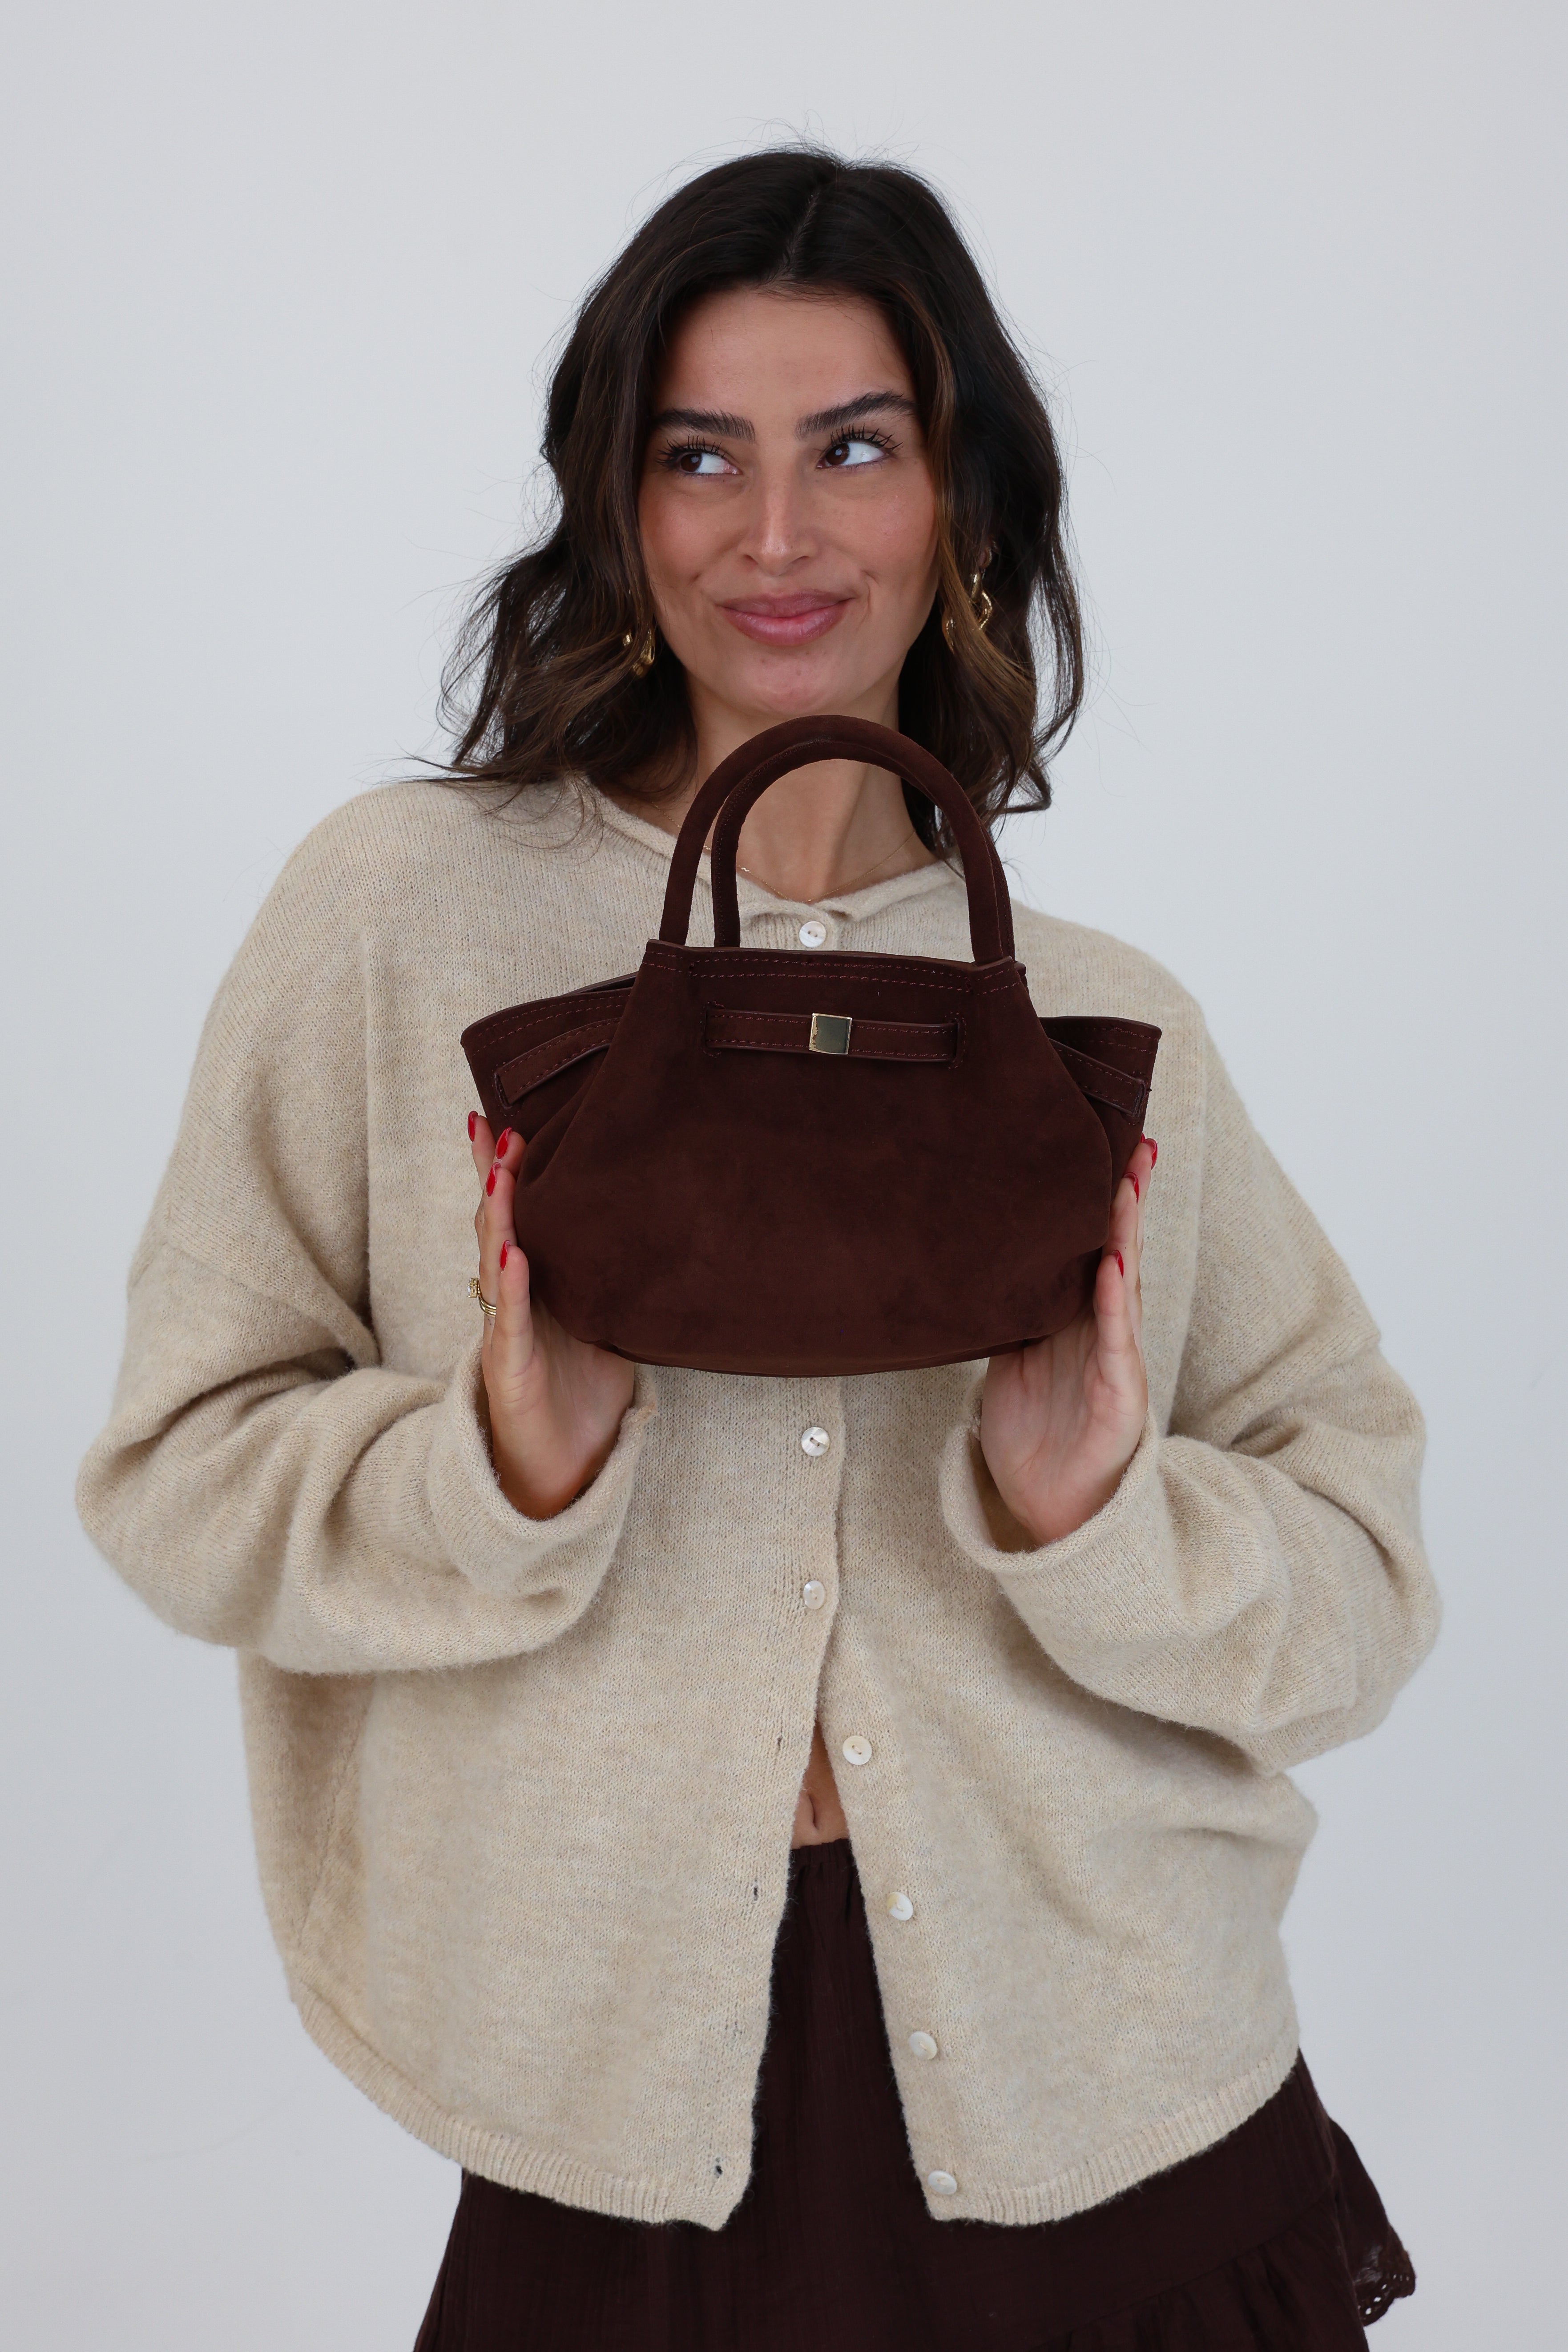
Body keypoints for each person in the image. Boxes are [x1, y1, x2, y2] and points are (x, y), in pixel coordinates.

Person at [77, 149, 1437, 2348]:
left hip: (1123, 2092)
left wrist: (1100, 1513)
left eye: (856, 451)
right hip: (614, 2116)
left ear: (961, 502)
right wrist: (497, 1466)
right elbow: (172, 1476)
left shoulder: (1103, 1020)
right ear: (617, 501)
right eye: (700, 454)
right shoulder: (407, 914)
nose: (777, 536)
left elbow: (1369, 1582)